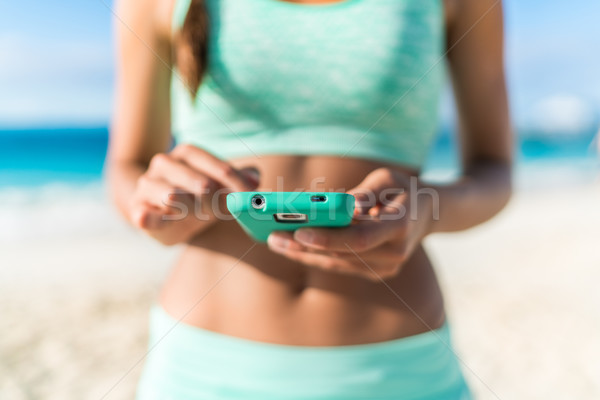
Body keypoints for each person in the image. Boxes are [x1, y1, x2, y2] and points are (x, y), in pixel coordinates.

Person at [108, 0, 512, 398]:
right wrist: (150, 206)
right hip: (201, 367)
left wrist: (428, 210)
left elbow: (495, 170)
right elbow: (127, 167)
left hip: (398, 370)